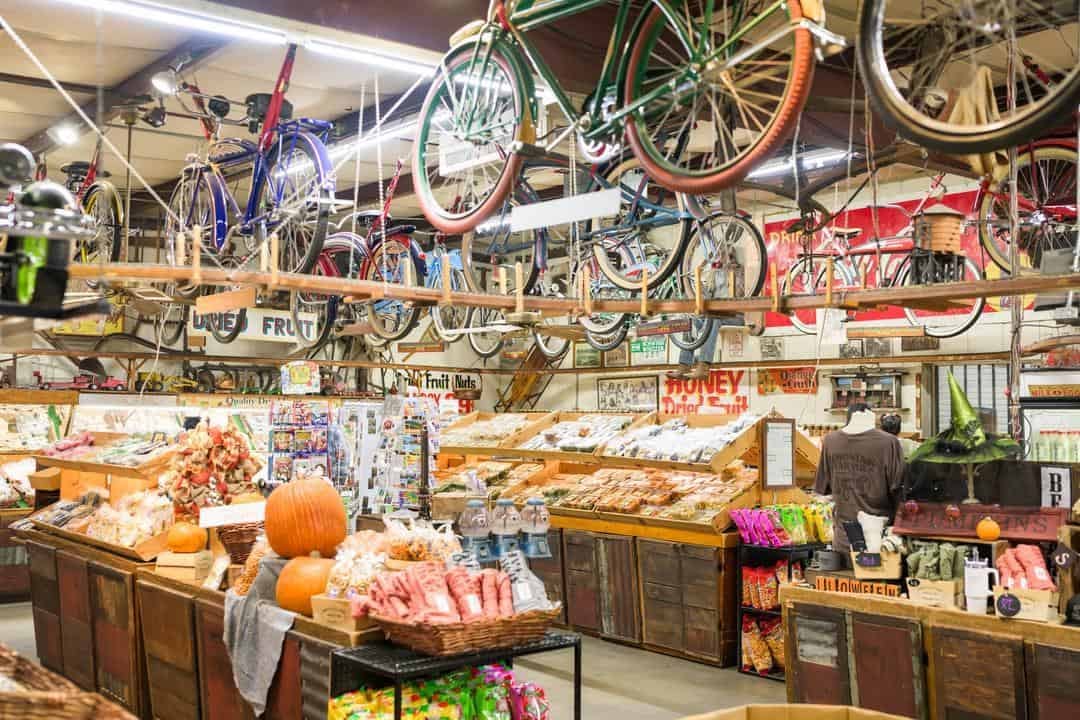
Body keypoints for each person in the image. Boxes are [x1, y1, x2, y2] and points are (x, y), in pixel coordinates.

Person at [814, 402, 905, 563]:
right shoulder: (889, 443)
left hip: (842, 543)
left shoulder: (829, 441)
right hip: (879, 545)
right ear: (872, 417)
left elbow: (823, 491)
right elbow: (899, 491)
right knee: (876, 587)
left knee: (843, 587)